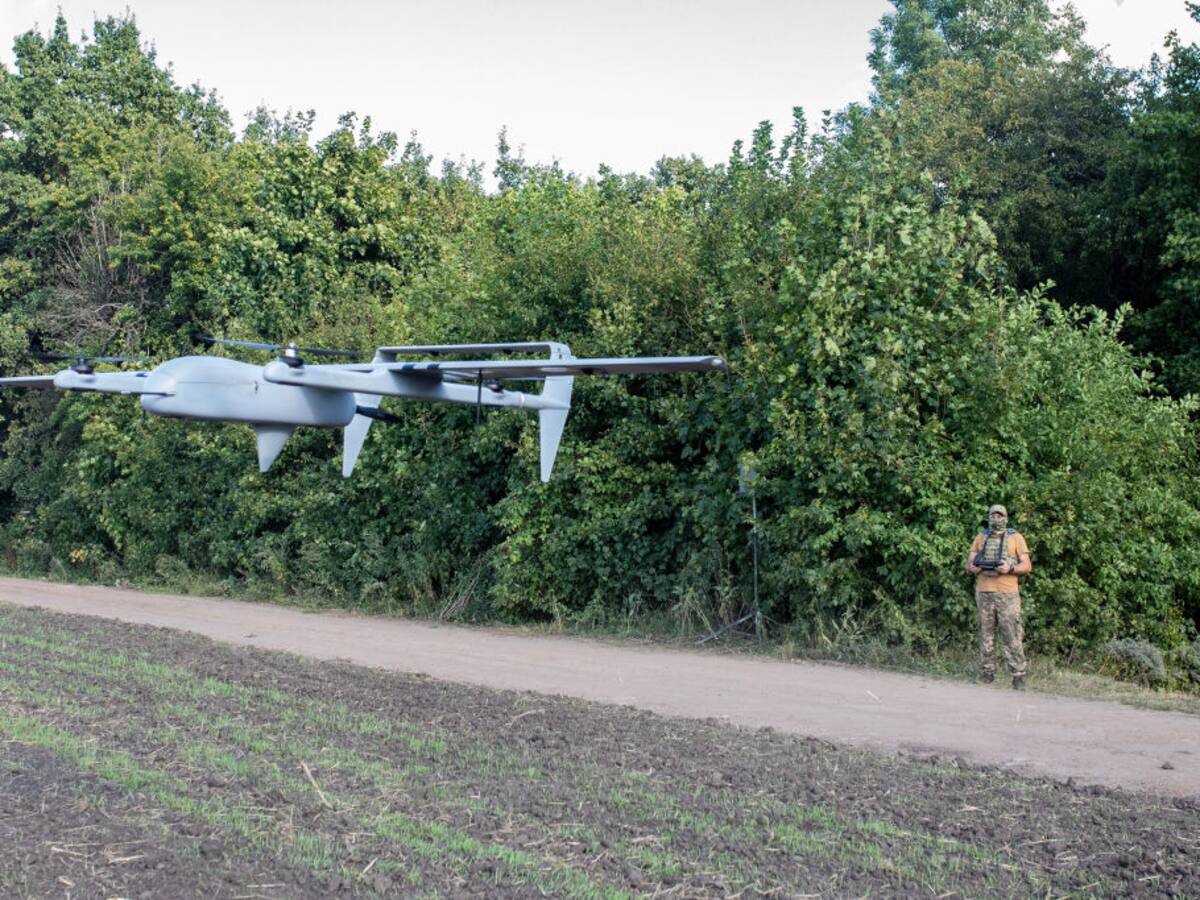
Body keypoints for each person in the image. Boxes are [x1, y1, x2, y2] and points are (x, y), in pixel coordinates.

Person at [965, 504, 1032, 690]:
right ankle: (987, 673)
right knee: (986, 634)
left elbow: (1027, 566)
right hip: (984, 592)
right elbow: (969, 563)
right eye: (993, 516)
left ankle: (1018, 676)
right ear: (988, 517)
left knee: (1012, 634)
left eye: (999, 515)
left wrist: (1009, 568)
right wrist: (975, 567)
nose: (996, 519)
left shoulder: (1016, 537)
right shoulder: (981, 537)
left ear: (1006, 517)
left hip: (1007, 593)